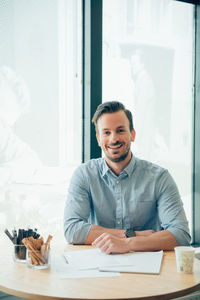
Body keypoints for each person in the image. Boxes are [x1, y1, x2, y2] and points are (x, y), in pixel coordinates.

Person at [64, 101, 190, 254]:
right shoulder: (84, 175)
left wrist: (128, 244)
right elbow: (72, 229)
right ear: (98, 139)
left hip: (149, 267)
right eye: (106, 132)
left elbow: (181, 234)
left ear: (133, 134)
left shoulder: (159, 178)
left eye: (120, 130)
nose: (113, 139)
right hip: (99, 266)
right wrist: (131, 235)